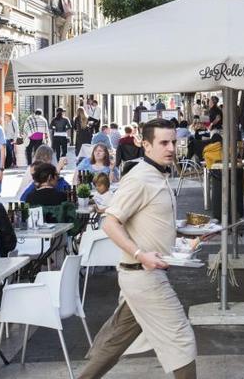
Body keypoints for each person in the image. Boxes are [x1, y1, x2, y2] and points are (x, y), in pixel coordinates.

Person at [78, 118, 197, 379]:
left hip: (144, 275)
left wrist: (185, 236)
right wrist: (140, 254)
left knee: (116, 341)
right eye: (163, 142)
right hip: (143, 277)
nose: (170, 148)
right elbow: (110, 223)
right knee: (181, 340)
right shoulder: (140, 178)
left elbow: (151, 221)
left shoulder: (157, 175)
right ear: (145, 145)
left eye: (173, 142)